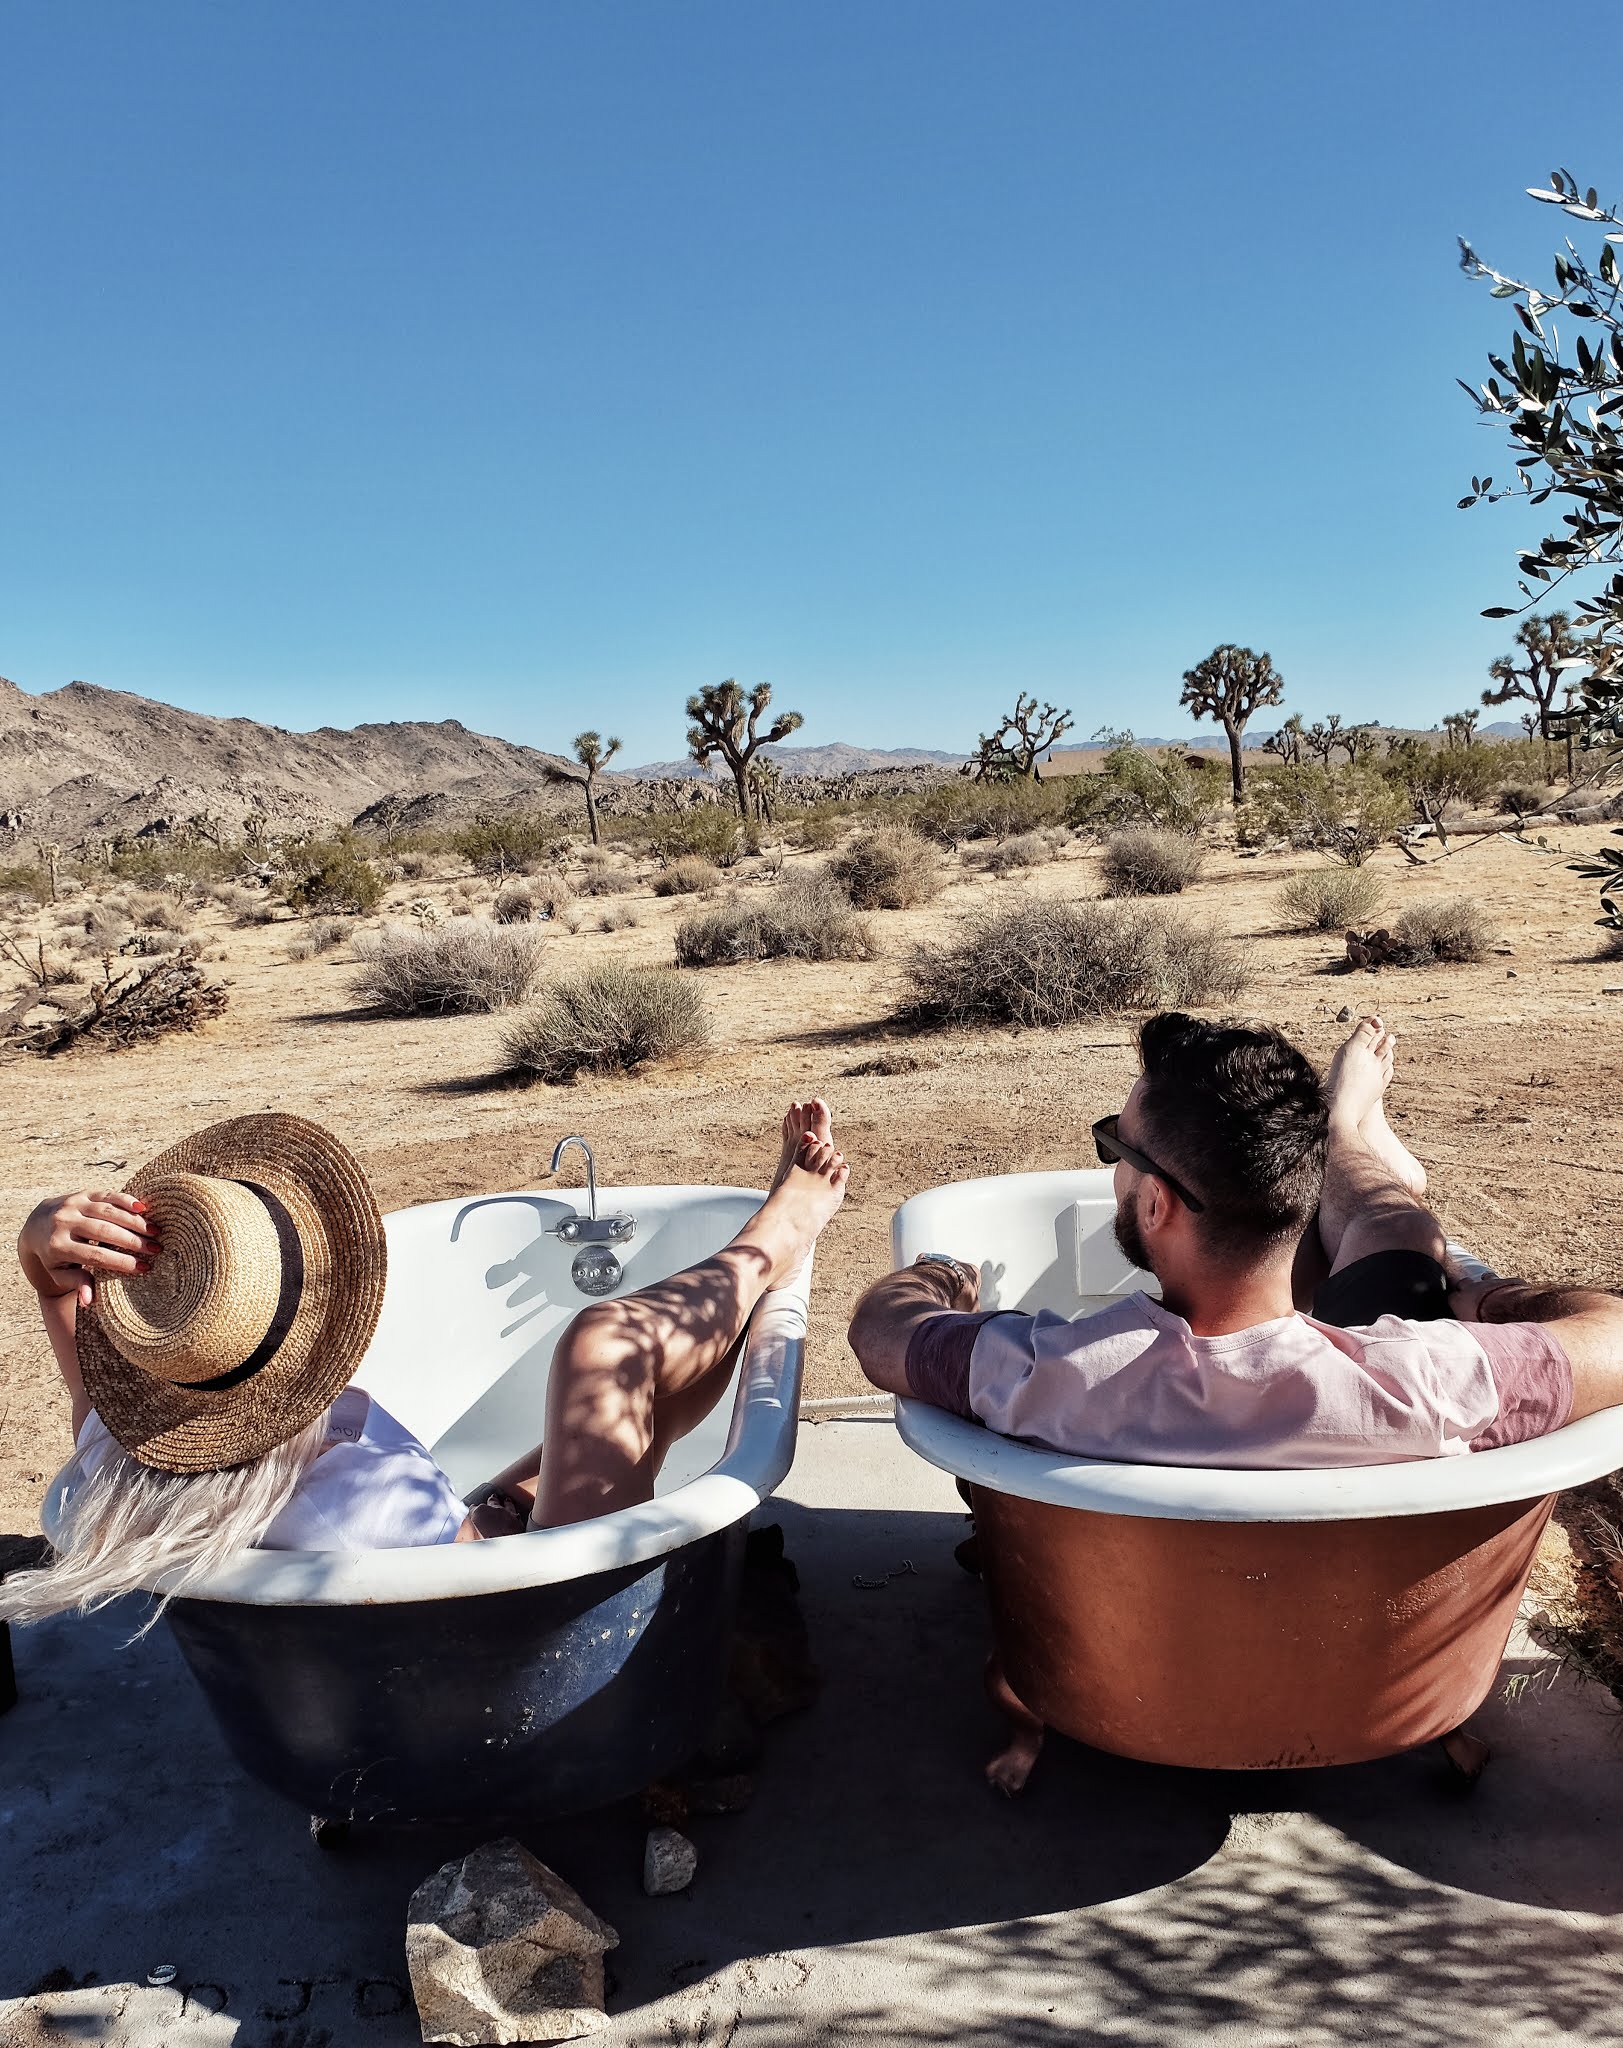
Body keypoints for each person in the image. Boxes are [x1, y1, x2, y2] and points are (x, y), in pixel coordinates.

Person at [848, 1011, 1623, 1791]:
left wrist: (941, 1275)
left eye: (1114, 1148)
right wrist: (1484, 1300)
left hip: (1114, 1689)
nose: (1111, 1169)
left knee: (1391, 1234)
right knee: (1394, 1228)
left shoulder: (1047, 1372)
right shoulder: (1426, 1380)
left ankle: (1344, 1129)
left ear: (1155, 1203)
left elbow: (880, 1334)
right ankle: (1343, 1133)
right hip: (1379, 1686)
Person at [4, 1103, 847, 1626]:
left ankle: (762, 1268)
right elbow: (501, 1594)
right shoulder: (351, 1509)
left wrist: (41, 1240)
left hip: (476, 1567)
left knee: (622, 1413)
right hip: (546, 1621)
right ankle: (770, 1243)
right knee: (605, 1348)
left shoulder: (121, 1444)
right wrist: (516, 1516)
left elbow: (60, 1306)